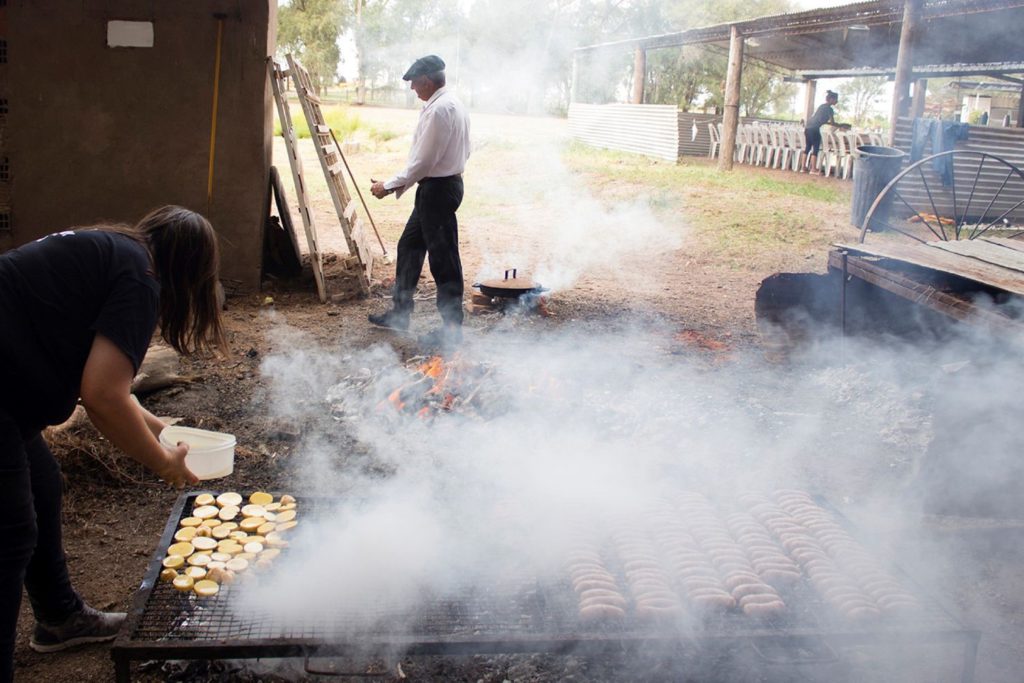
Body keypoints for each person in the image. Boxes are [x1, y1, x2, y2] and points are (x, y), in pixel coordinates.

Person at [0, 205, 225, 681]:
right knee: (9, 533)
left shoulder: (117, 251)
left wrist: (161, 430)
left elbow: (105, 384)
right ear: (189, 269)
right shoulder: (140, 279)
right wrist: (162, 462)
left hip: (9, 389)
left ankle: (60, 618)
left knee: (42, 485)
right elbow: (103, 397)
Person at [368, 54, 471, 349]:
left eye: (414, 82)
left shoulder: (440, 110)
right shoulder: (451, 103)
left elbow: (423, 162)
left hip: (437, 190)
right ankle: (400, 313)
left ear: (426, 81)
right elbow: (465, 150)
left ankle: (452, 329)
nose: (412, 88)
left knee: (443, 258)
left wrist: (388, 186)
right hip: (440, 187)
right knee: (409, 246)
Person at [802, 90, 848, 175]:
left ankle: (803, 168)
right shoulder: (829, 109)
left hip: (808, 127)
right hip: (815, 128)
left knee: (808, 147)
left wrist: (836, 124)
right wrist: (841, 125)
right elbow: (832, 122)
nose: (837, 101)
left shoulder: (822, 106)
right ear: (831, 99)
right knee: (815, 148)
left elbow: (821, 120)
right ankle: (813, 169)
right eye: (836, 99)